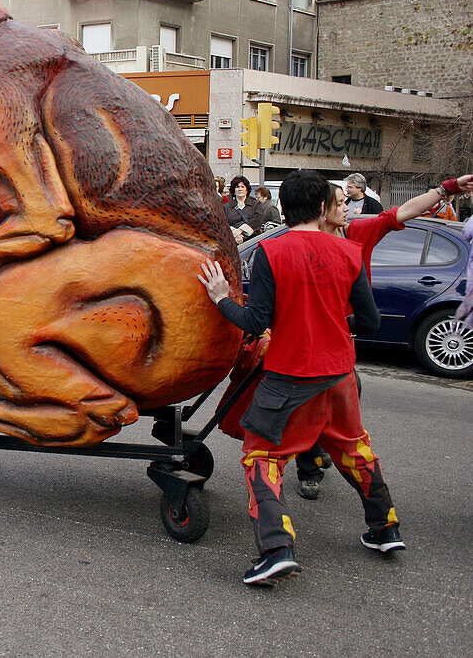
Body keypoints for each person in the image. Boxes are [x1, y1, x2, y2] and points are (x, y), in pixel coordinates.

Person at [198, 169, 402, 587]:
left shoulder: (272, 252)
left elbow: (256, 322)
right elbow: (369, 320)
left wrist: (221, 299)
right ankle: (385, 529)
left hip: (289, 376)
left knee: (263, 457)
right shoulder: (348, 251)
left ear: (284, 207)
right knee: (354, 449)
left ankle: (276, 550)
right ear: (324, 207)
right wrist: (331, 325)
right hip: (340, 373)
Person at [293, 173, 473, 498]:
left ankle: (321, 448)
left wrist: (445, 189)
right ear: (322, 209)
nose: (348, 208)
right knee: (306, 401)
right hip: (305, 340)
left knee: (341, 397)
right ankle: (309, 465)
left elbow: (402, 212)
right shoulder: (298, 241)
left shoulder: (358, 232)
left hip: (342, 340)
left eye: (349, 202)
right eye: (341, 203)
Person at [224, 175, 262, 243]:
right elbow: (222, 223)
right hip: (232, 241)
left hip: (252, 242)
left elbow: (257, 220)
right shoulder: (226, 207)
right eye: (237, 187)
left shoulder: (256, 205)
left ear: (247, 189)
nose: (240, 189)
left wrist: (240, 231)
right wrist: (234, 233)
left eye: (242, 187)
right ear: (234, 190)